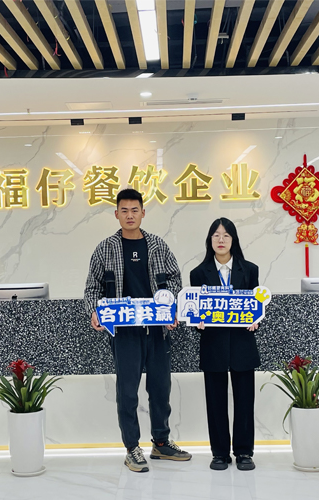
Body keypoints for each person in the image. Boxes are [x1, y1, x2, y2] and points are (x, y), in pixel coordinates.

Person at [84, 188, 192, 472]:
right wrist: (94, 311)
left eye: (135, 210)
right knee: (127, 391)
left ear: (143, 213)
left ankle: (161, 442)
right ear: (116, 214)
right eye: (124, 210)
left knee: (160, 388)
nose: (130, 215)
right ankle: (132, 447)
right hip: (124, 332)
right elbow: (92, 288)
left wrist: (171, 308)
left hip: (157, 330)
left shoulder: (158, 246)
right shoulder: (105, 249)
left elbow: (175, 280)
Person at [189, 217, 260, 471]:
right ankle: (219, 453)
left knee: (244, 401)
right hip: (213, 345)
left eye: (226, 235)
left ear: (233, 240)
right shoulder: (198, 273)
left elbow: (256, 305)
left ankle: (244, 452)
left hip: (242, 344)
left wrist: (256, 319)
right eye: (216, 235)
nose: (221, 240)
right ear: (210, 240)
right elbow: (195, 309)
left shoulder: (250, 270)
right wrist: (196, 321)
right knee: (216, 402)